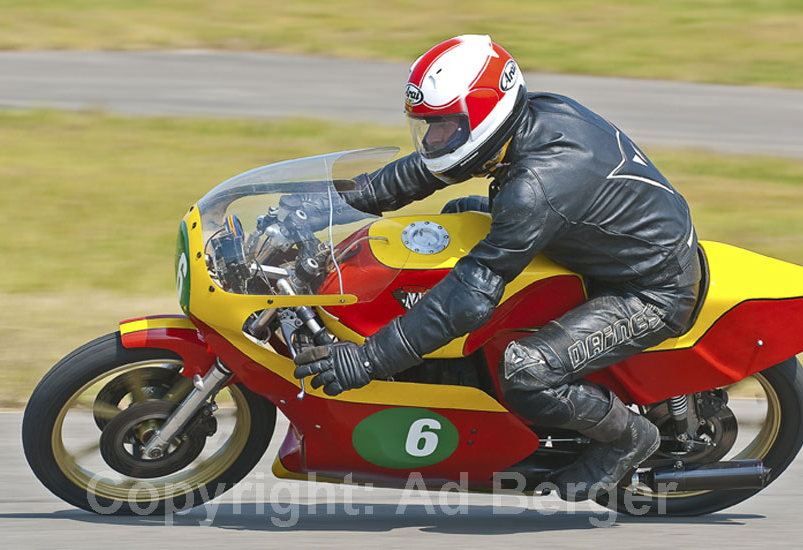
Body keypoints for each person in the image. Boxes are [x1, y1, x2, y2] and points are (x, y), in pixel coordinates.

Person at [293, 34, 701, 501]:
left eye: (442, 125)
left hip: (651, 288)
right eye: (426, 125)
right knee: (448, 226)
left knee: (527, 372)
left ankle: (629, 437)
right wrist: (332, 203)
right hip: (592, 243)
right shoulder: (530, 119)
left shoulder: (533, 188)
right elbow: (431, 167)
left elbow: (469, 298)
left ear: (484, 117)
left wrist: (369, 358)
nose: (431, 138)